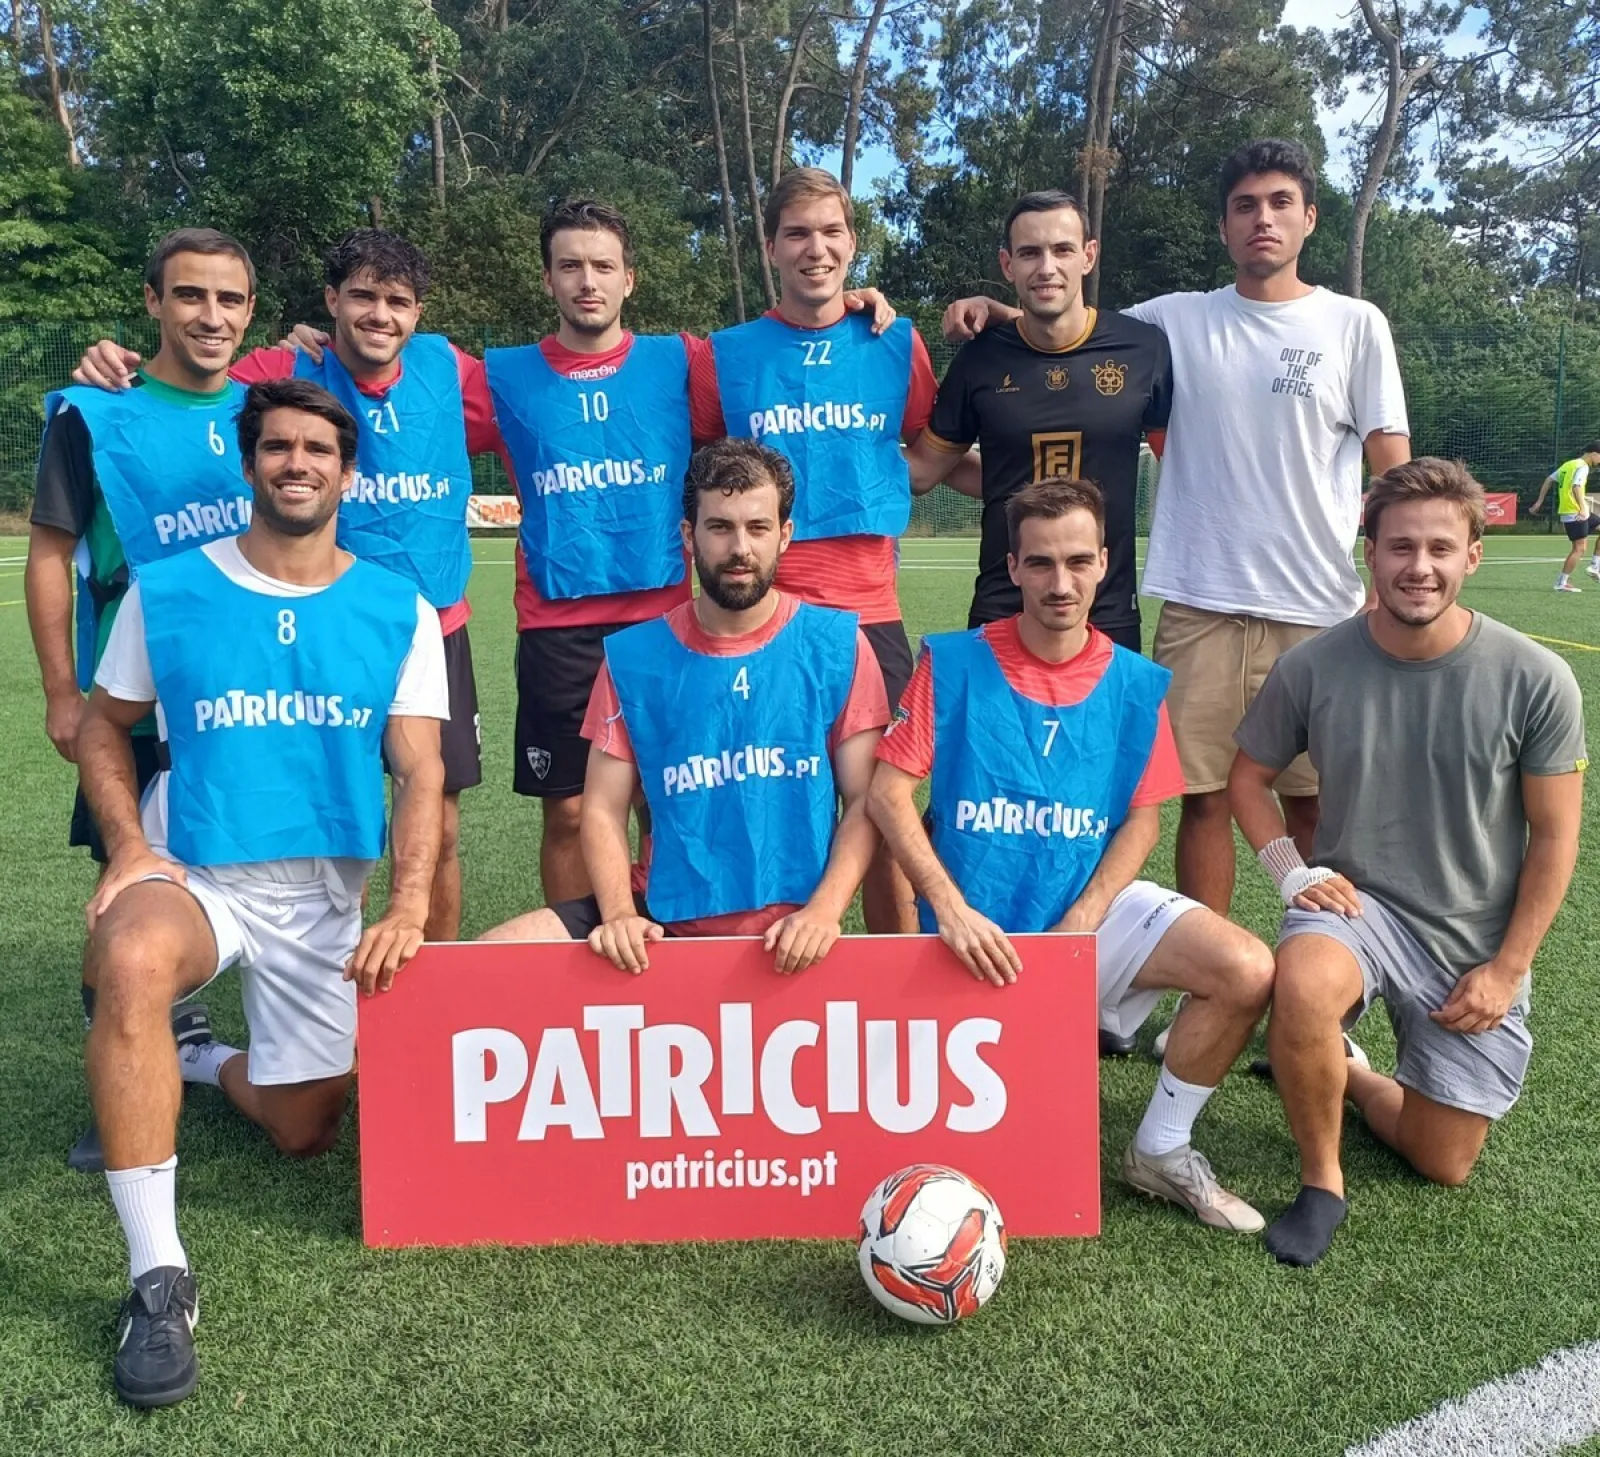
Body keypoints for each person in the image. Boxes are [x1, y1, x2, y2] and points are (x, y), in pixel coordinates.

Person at [75, 377, 447, 1406]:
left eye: (318, 449)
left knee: (306, 1129)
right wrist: (123, 846)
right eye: (277, 446)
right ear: (249, 464)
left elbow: (418, 770)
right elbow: (105, 723)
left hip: (320, 896)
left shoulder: (395, 605)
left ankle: (193, 1056)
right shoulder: (171, 586)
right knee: (135, 957)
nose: (297, 463)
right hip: (195, 869)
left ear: (346, 469)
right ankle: (158, 1278)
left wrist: (409, 908)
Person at [942, 139, 1412, 918]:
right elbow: (1065, 323)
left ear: (1310, 219)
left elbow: (1391, 469)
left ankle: (1329, 993)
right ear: (1224, 227)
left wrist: (1384, 587)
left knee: (1313, 808)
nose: (1263, 218)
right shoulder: (1171, 324)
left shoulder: (1355, 324)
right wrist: (996, 313)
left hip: (1319, 609)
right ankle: (1207, 992)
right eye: (1245, 205)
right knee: (1203, 801)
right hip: (1199, 604)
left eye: (1280, 202)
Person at [868, 478, 1276, 1233]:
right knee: (964, 1153)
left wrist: (1086, 919)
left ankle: (1159, 1147)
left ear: (1104, 565)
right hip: (972, 926)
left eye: (1078, 561)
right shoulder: (952, 663)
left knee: (1246, 967)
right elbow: (889, 795)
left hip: (1088, 917)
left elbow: (1141, 823)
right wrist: (948, 906)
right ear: (1014, 567)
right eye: (1043, 563)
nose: (1061, 582)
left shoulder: (1132, 681)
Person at [72, 229, 491, 939]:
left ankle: (430, 990)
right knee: (323, 814)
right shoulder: (283, 365)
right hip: (315, 620)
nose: (379, 314)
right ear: (331, 300)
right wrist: (112, 366)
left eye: (398, 300)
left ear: (420, 310)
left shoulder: (452, 369)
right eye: (361, 295)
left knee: (438, 822)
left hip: (430, 624)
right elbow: (189, 377)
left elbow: (553, 393)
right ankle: (294, 960)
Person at [1229, 459, 1584, 1267]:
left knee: (1442, 1160)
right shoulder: (1315, 665)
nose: (1417, 567)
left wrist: (1507, 967)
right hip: (1358, 909)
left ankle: (1343, 1071)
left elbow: (1556, 838)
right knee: (1308, 980)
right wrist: (1292, 872)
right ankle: (1323, 1182)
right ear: (1370, 552)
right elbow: (1248, 779)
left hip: (1471, 944)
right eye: (1398, 547)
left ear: (1472, 555)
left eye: (1438, 547)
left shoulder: (1537, 678)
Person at [481, 437, 888, 973]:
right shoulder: (634, 656)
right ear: (688, 538)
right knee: (476, 966)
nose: (740, 547)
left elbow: (864, 800)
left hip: (793, 928)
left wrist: (824, 911)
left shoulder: (837, 644)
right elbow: (602, 807)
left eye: (757, 528)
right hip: (663, 917)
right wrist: (620, 914)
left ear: (784, 537)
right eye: (719, 527)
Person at [696, 166, 952, 933]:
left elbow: (924, 445)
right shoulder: (726, 354)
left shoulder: (894, 342)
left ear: (853, 243)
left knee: (883, 798)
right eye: (798, 233)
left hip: (869, 610)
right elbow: (707, 473)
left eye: (832, 231)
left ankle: (893, 976)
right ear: (771, 247)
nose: (817, 248)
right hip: (761, 612)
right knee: (754, 794)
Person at [29, 228, 257, 865]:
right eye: (190, 295)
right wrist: (60, 696)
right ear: (153, 302)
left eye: (229, 299)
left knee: (258, 890)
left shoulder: (269, 414)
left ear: (250, 311)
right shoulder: (92, 413)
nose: (212, 317)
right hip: (128, 703)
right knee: (132, 895)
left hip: (250, 697)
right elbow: (49, 555)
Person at [904, 189, 1172, 652]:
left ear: (1089, 255)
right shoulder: (980, 360)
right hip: (1002, 608)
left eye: (1062, 249)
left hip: (1105, 613)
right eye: (1030, 253)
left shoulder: (1143, 350)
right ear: (1008, 265)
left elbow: (1183, 462)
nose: (1046, 267)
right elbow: (924, 470)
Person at [1527, 442, 1600, 590]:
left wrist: (1539, 501)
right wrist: (1582, 508)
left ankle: (1595, 566)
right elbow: (1576, 486)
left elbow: (1549, 480)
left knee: (1580, 546)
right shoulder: (1582, 466)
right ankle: (1561, 583)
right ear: (1594, 453)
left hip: (1571, 510)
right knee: (1579, 548)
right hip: (1574, 511)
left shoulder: (1569, 464)